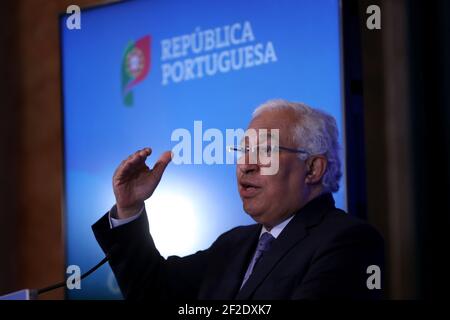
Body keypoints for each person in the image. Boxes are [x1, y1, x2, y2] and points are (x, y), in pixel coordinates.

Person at [92, 99, 384, 300]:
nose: (246, 164)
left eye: (265, 151)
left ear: (312, 169)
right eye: (244, 150)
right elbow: (153, 293)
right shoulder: (234, 245)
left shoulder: (349, 241)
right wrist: (128, 208)